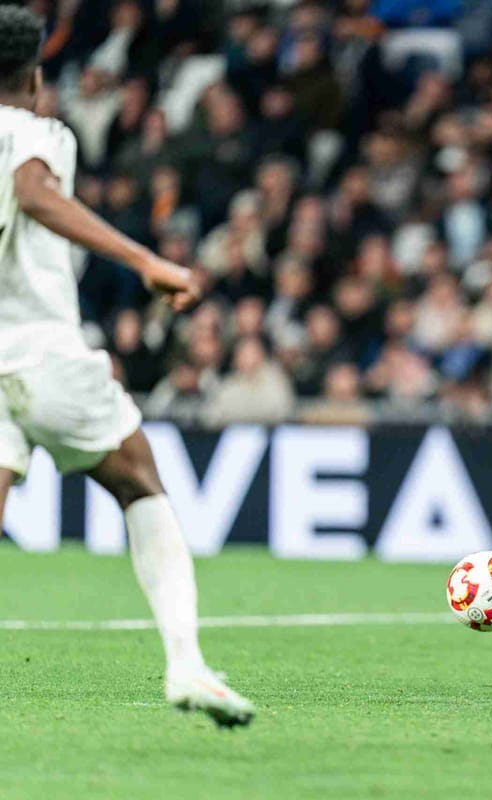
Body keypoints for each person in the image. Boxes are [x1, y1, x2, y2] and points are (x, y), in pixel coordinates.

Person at [0, 7, 254, 727]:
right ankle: (186, 665)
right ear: (38, 68)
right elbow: (33, 192)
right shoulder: (39, 131)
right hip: (41, 350)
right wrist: (146, 259)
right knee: (141, 482)